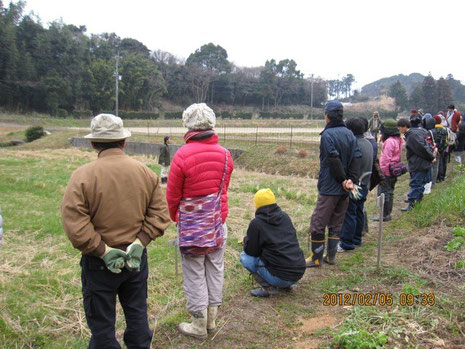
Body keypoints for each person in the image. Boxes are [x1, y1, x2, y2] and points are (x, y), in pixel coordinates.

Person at [61, 113, 171, 349]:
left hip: (98, 264)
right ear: (123, 142)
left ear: (93, 143)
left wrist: (102, 250)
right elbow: (161, 214)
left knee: (102, 329)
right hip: (135, 261)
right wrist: (140, 243)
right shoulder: (146, 174)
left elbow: (75, 224)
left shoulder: (81, 177)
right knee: (138, 318)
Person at [166, 103, 234, 339]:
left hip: (193, 227)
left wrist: (177, 218)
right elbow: (223, 189)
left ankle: (198, 324)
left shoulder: (182, 155)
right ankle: (212, 321)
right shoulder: (226, 155)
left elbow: (173, 195)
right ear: (211, 124)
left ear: (188, 125)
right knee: (215, 269)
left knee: (194, 272)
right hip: (217, 224)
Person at [306, 100, 361, 267]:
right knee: (337, 221)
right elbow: (356, 157)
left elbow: (332, 158)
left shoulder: (327, 135)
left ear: (327, 116)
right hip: (346, 188)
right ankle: (331, 256)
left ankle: (315, 258)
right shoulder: (350, 134)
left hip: (330, 186)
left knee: (318, 222)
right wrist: (351, 180)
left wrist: (342, 179)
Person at [240, 189, 306, 297]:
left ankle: (268, 288)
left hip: (281, 276)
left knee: (245, 258)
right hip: (298, 271)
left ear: (257, 204)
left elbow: (252, 252)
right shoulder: (284, 217)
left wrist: (246, 241)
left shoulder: (256, 223)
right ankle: (285, 285)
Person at [339, 118, 373, 251]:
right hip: (364, 183)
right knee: (358, 211)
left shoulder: (354, 145)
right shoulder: (368, 143)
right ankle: (357, 239)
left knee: (350, 213)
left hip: (355, 185)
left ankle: (346, 243)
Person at [401, 114, 435, 211]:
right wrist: (431, 157)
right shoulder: (424, 132)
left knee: (416, 183)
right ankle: (418, 202)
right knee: (420, 184)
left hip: (418, 163)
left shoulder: (412, 135)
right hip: (423, 162)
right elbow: (428, 146)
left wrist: (430, 157)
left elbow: (421, 149)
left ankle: (411, 204)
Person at [374, 119, 404, 222]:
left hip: (387, 171)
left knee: (384, 193)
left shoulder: (389, 142)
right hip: (394, 169)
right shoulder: (397, 139)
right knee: (390, 192)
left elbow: (385, 159)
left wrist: (381, 173)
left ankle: (384, 215)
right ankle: (387, 214)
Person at [430, 115, 448, 184]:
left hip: (435, 149)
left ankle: (435, 179)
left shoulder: (432, 131)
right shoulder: (444, 130)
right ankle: (441, 177)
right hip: (442, 149)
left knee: (435, 165)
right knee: (442, 163)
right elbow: (446, 142)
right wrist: (443, 148)